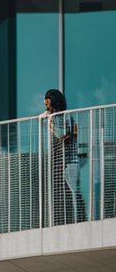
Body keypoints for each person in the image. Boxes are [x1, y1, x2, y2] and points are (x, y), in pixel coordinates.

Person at [43, 89, 83, 225]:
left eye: (48, 100)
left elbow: (63, 135)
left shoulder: (66, 117)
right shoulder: (52, 118)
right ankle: (63, 219)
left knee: (73, 190)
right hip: (59, 162)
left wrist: (49, 121)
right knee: (61, 190)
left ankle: (80, 218)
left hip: (70, 160)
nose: (45, 103)